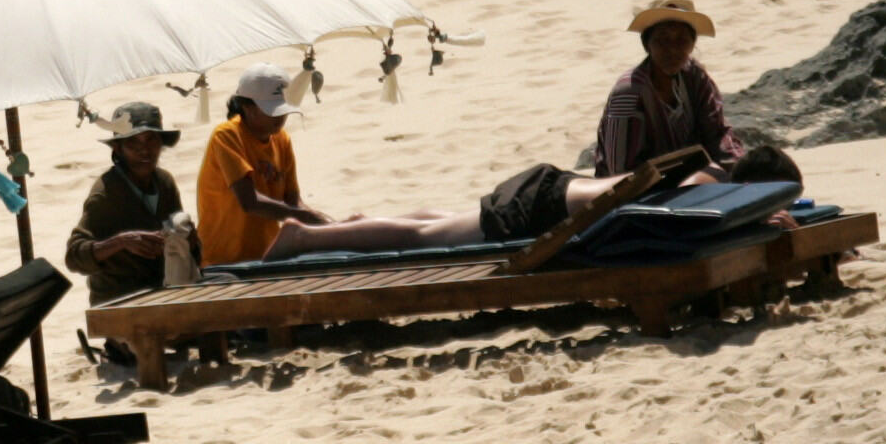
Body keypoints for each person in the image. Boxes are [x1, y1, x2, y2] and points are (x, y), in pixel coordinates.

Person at [258, 144, 800, 259]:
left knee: (446, 221)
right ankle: (306, 237)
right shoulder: (712, 187)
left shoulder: (713, 173)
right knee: (426, 239)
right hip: (544, 208)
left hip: (555, 192)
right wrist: (755, 223)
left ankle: (363, 223)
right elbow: (686, 219)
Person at [592, 0, 748, 178]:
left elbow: (717, 133)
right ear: (647, 44)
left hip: (687, 179)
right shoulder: (629, 92)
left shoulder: (694, 77)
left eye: (681, 40)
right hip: (638, 192)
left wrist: (737, 169)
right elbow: (620, 172)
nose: (672, 50)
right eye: (662, 40)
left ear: (692, 44)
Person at [193, 68, 325, 267]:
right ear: (248, 107)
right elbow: (249, 202)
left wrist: (326, 225)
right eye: (271, 110)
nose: (280, 118)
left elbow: (292, 201)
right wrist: (305, 216)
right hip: (221, 261)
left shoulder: (282, 140)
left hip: (265, 258)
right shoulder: (227, 135)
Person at [62, 102, 187, 304]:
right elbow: (74, 257)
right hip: (119, 300)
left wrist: (178, 238)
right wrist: (121, 242)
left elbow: (189, 242)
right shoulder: (105, 194)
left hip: (163, 290)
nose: (144, 151)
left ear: (160, 143)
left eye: (150, 140)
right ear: (118, 149)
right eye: (133, 143)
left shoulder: (165, 182)